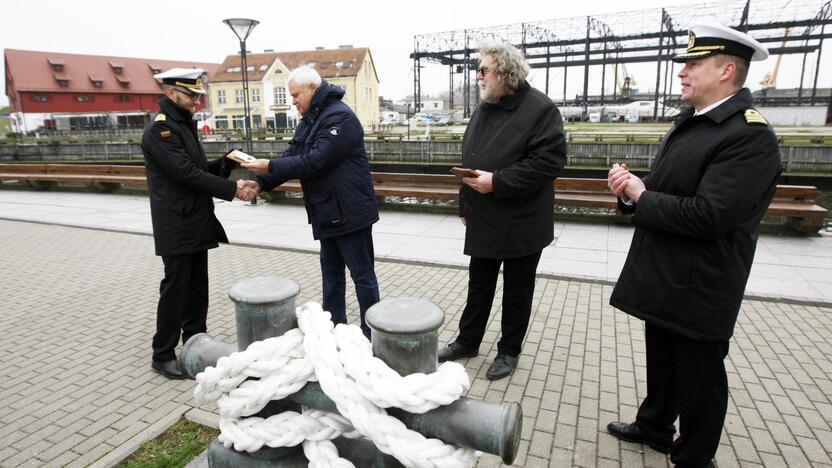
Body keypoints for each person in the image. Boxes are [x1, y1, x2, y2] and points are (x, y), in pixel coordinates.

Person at [605, 24, 782, 467]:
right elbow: (667, 190)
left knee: (700, 378)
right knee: (662, 360)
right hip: (667, 273)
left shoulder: (748, 135)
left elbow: (710, 216)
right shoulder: (694, 123)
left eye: (692, 64)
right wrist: (631, 191)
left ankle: (694, 456)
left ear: (726, 70)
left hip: (702, 282)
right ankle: (655, 425)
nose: (681, 73)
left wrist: (644, 197)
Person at [436, 43, 566, 380]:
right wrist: (465, 204)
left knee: (517, 290)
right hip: (484, 216)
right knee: (479, 284)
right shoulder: (485, 107)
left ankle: (508, 351)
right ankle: (468, 340)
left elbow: (548, 162)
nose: (478, 75)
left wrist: (499, 182)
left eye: (484, 70)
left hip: (522, 220)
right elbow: (472, 159)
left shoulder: (540, 109)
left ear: (505, 73)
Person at [240, 66, 379, 339]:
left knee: (362, 277)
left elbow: (316, 161)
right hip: (326, 211)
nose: (292, 101)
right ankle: (333, 330)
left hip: (350, 212)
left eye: (295, 95)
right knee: (332, 278)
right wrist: (262, 182)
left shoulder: (340, 117)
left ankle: (371, 334)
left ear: (313, 89)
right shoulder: (311, 118)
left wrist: (268, 164)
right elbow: (293, 153)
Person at [142, 68, 255, 379]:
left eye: (196, 96)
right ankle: (162, 352)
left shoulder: (183, 127)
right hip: (176, 224)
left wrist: (226, 163)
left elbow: (198, 169)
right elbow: (186, 175)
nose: (195, 101)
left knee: (197, 288)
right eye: (190, 95)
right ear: (171, 93)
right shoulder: (161, 132)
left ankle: (196, 342)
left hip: (195, 220)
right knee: (175, 289)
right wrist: (233, 189)